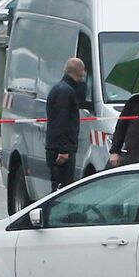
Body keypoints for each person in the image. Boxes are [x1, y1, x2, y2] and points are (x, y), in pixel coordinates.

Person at [44, 57, 92, 190]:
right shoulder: (66, 92)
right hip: (61, 151)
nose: (84, 76)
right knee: (63, 189)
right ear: (80, 72)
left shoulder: (59, 88)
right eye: (83, 73)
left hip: (56, 146)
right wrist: (64, 150)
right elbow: (62, 121)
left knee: (60, 186)